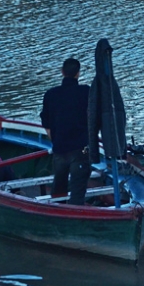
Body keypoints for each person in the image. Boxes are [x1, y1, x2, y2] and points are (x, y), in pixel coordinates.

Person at [40, 58, 92, 205]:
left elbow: (46, 122)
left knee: (59, 186)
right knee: (78, 190)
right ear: (78, 74)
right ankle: (76, 216)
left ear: (62, 72)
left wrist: (55, 141)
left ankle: (57, 210)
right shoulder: (86, 92)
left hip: (60, 148)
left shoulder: (51, 94)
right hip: (81, 149)